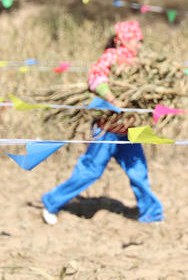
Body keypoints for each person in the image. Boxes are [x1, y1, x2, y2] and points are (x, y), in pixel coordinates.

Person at [41, 20, 164, 225]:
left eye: (141, 41)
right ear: (124, 40)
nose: (139, 45)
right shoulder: (111, 57)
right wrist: (113, 99)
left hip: (129, 129)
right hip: (107, 129)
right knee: (90, 170)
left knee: (139, 171)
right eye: (136, 40)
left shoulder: (139, 63)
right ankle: (51, 202)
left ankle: (152, 213)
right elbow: (96, 78)